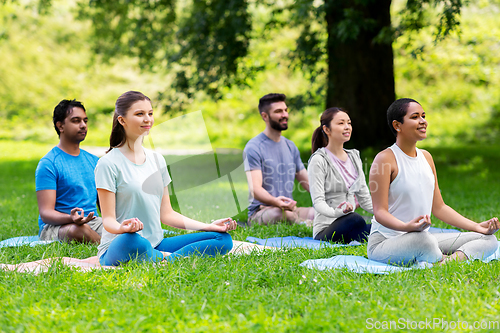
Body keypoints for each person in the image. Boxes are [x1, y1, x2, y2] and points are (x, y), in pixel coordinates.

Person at [95, 91, 237, 266]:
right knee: (133, 241)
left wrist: (209, 226)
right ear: (122, 120)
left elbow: (167, 214)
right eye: (140, 114)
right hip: (122, 244)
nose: (148, 119)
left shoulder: (157, 160)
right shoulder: (108, 163)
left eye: (150, 113)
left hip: (156, 243)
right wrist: (122, 228)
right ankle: (164, 258)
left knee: (222, 239)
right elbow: (108, 219)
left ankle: (164, 258)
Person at [368, 98, 499, 265]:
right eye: (415, 117)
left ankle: (445, 263)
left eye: (423, 116)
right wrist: (408, 227)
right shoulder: (385, 159)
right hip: (385, 242)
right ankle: (447, 259)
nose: (423, 121)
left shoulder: (426, 157)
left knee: (489, 239)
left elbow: (439, 207)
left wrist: (477, 227)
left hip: (421, 237)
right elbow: (380, 212)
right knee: (425, 241)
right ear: (397, 125)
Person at [35, 99, 102, 244]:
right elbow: (46, 213)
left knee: (125, 228)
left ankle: (117, 243)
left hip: (93, 223)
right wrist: (71, 218)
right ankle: (109, 248)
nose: (83, 125)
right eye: (76, 121)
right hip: (58, 226)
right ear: (60, 126)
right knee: (79, 231)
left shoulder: (94, 161)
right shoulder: (48, 163)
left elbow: (103, 204)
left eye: (85, 120)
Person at [243, 93, 314, 225]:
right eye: (278, 111)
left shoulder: (290, 146)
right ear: (265, 116)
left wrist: (330, 200)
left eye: (285, 110)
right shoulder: (254, 147)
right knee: (279, 214)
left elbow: (308, 182)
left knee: (317, 213)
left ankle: (306, 221)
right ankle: (306, 224)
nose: (285, 115)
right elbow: (255, 189)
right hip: (262, 211)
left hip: (290, 210)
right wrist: (276, 202)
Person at [308, 107, 373, 243]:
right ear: (327, 129)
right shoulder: (319, 160)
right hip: (326, 229)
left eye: (349, 123)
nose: (347, 127)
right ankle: (363, 236)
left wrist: (389, 214)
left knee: (386, 227)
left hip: (351, 224)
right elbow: (318, 202)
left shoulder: (354, 156)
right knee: (355, 219)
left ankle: (363, 235)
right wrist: (337, 213)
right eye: (341, 123)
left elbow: (365, 199)